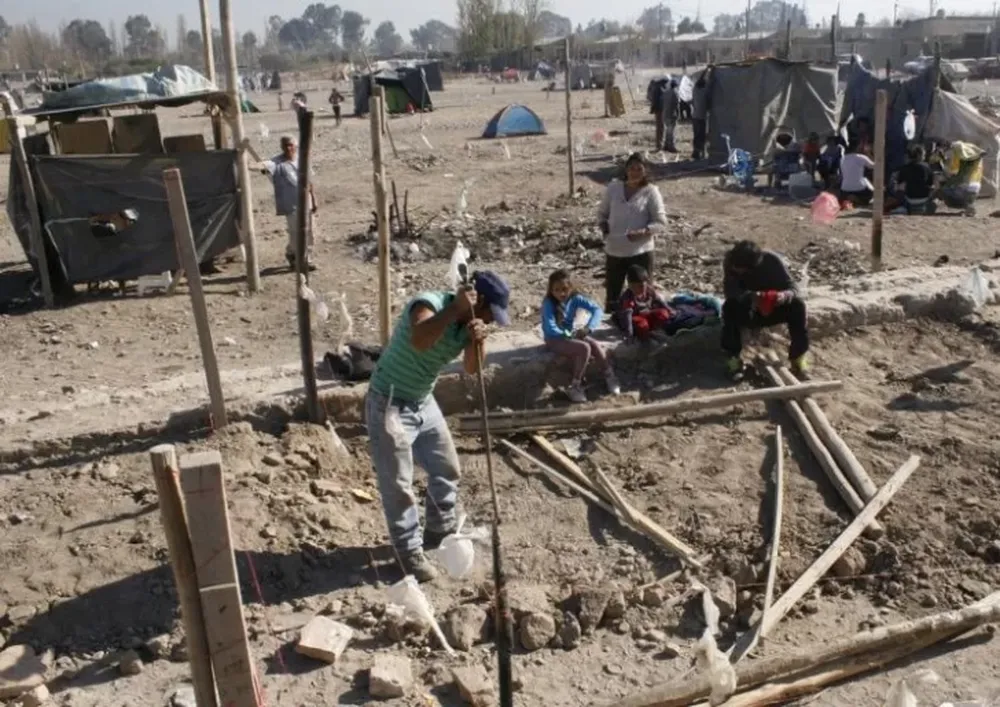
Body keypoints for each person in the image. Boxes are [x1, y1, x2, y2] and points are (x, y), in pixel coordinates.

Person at [366, 271, 511, 582]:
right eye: (489, 312)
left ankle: (438, 527)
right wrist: (455, 309)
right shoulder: (430, 304)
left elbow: (472, 369)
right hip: (389, 402)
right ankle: (408, 554)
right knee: (398, 485)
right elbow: (420, 339)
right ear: (477, 300)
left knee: (446, 468)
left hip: (421, 399)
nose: (490, 319)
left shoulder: (465, 326)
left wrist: (477, 340)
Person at [721, 240, 809, 379]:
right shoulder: (731, 261)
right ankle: (733, 360)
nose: (736, 270)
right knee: (729, 307)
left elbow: (793, 288)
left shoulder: (771, 261)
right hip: (748, 311)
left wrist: (782, 296)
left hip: (773, 309)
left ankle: (798, 359)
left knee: (798, 306)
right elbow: (730, 291)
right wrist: (751, 297)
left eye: (740, 269)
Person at [597, 152, 667, 311]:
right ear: (626, 169)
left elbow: (661, 222)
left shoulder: (651, 192)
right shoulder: (614, 188)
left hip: (640, 252)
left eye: (639, 169)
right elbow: (602, 213)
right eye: (631, 168)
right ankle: (613, 327)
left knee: (642, 297)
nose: (634, 172)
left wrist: (643, 232)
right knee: (613, 297)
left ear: (645, 171)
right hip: (615, 250)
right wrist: (603, 226)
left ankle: (641, 329)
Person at [542, 269, 620, 403]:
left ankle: (609, 375)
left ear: (571, 288)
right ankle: (575, 386)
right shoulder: (548, 304)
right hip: (554, 339)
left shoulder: (575, 299)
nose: (561, 293)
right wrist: (568, 334)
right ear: (551, 290)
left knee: (594, 344)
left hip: (569, 335)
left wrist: (588, 328)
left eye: (564, 289)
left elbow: (597, 310)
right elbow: (551, 327)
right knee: (584, 348)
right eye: (556, 290)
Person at [261, 136, 318, 270]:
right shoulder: (277, 162)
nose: (288, 148)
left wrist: (314, 199)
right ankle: (295, 255)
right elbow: (265, 168)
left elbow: (310, 181)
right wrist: (260, 166)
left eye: (291, 145)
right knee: (295, 233)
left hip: (306, 201)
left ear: (295, 146)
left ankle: (306, 258)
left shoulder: (302, 160)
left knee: (310, 232)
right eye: (285, 145)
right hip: (291, 203)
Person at [615, 264, 671, 342]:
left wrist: (670, 310)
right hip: (634, 319)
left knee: (663, 313)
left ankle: (655, 331)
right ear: (630, 285)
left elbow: (659, 301)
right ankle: (647, 340)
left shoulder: (649, 290)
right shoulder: (628, 297)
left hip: (647, 314)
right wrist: (629, 334)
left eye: (642, 286)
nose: (639, 289)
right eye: (635, 287)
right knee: (642, 324)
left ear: (647, 283)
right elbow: (627, 317)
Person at [937, 140, 985, 216]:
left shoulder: (957, 154)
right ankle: (969, 206)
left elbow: (954, 173)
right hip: (976, 188)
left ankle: (962, 205)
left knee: (942, 188)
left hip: (963, 188)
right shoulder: (974, 155)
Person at [894, 143, 936, 214]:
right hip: (924, 197)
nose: (924, 157)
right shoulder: (927, 167)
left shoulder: (905, 168)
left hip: (910, 198)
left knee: (898, 190)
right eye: (924, 155)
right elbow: (930, 183)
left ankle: (905, 207)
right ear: (919, 155)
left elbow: (899, 183)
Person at [691, 75, 709, 160]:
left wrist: (706, 70)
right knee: (702, 136)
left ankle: (696, 152)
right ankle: (702, 154)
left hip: (694, 117)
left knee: (696, 135)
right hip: (702, 118)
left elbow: (700, 79)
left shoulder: (695, 90)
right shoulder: (704, 92)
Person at [660, 79, 680, 153]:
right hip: (672, 114)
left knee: (668, 130)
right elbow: (676, 105)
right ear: (676, 86)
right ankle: (671, 147)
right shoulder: (675, 93)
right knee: (672, 131)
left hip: (665, 114)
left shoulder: (666, 92)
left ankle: (666, 145)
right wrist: (678, 115)